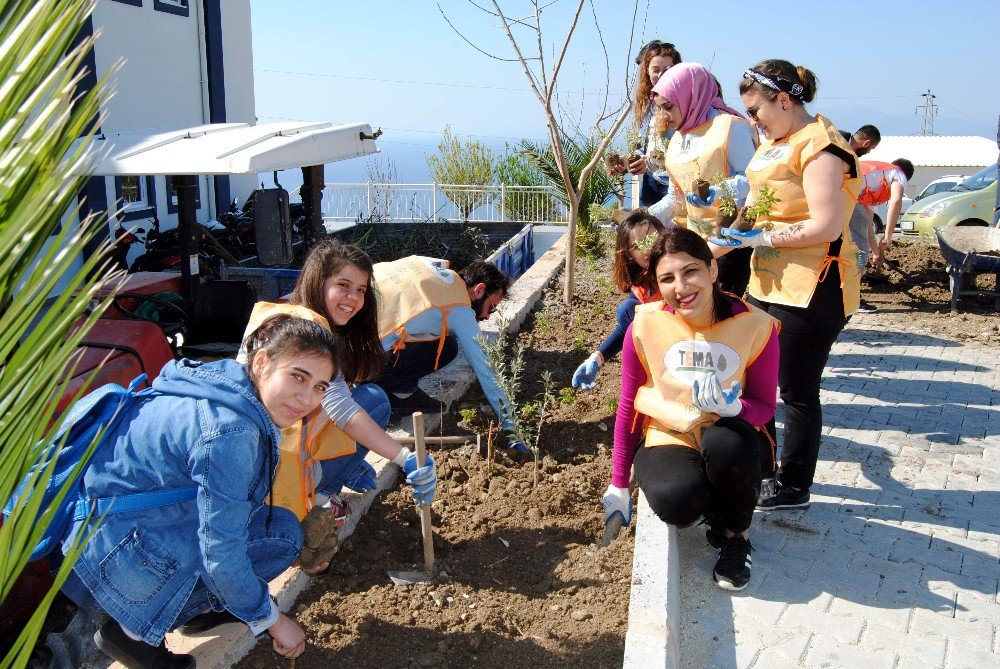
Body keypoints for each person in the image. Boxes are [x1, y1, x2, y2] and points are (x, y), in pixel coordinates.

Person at [60, 315, 339, 667]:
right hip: (105, 558)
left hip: (101, 532)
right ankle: (130, 635)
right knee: (258, 546)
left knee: (281, 532)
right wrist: (273, 620)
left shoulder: (221, 383)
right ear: (262, 361)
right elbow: (221, 553)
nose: (306, 398)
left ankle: (198, 609)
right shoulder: (230, 433)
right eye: (298, 376)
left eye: (320, 387)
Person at [711, 59, 863, 511]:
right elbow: (756, 208)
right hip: (767, 281)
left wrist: (764, 237)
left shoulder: (822, 147)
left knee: (796, 390)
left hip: (813, 286)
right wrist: (706, 252)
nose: (752, 120)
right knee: (757, 383)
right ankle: (762, 469)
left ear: (784, 99)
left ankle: (795, 486)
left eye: (756, 110)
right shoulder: (774, 143)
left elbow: (828, 224)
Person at [602, 227, 779, 590]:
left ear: (713, 271)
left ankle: (736, 537)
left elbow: (764, 408)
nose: (681, 287)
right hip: (669, 432)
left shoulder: (756, 327)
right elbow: (628, 404)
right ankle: (713, 506)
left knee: (726, 445)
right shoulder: (645, 325)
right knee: (676, 503)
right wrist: (619, 482)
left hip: (729, 435)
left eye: (691, 271)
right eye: (667, 278)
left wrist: (735, 408)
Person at [238, 240, 437, 523]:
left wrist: (352, 463)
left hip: (260, 459)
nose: (354, 298)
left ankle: (330, 476)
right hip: (271, 477)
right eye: (343, 285)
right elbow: (342, 411)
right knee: (373, 403)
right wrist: (404, 458)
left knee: (369, 398)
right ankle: (319, 497)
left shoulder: (283, 313)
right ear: (319, 282)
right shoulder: (305, 333)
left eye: (360, 290)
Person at [373, 256, 527, 453]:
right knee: (448, 347)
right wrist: (511, 427)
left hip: (347, 335)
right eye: (491, 307)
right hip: (366, 358)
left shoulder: (432, 268)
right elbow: (485, 367)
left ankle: (402, 391)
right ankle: (391, 392)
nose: (488, 316)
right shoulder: (458, 308)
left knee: (438, 337)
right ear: (479, 290)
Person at [647, 62, 758, 296]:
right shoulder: (679, 137)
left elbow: (753, 181)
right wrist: (645, 217)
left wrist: (716, 192)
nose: (664, 117)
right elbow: (676, 197)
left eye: (669, 106)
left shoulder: (730, 127)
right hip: (695, 244)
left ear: (690, 95)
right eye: (660, 108)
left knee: (720, 314)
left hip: (728, 243)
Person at [572, 210, 665, 390]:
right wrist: (597, 358)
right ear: (629, 255)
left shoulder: (679, 282)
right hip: (653, 368)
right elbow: (626, 330)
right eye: (639, 246)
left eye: (652, 240)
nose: (648, 249)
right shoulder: (641, 286)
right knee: (628, 310)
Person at [608, 40, 682, 207]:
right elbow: (650, 147)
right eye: (656, 70)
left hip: (674, 185)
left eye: (668, 70)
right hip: (652, 185)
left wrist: (647, 163)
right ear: (647, 72)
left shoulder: (684, 104)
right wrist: (627, 161)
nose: (661, 75)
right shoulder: (649, 103)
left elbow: (684, 147)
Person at [853, 158, 915, 313]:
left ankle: (843, 296)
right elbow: (896, 202)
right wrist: (888, 235)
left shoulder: (872, 177)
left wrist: (875, 251)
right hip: (846, 197)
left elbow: (867, 224)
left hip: (839, 196)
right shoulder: (898, 173)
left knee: (852, 250)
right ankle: (853, 300)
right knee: (859, 254)